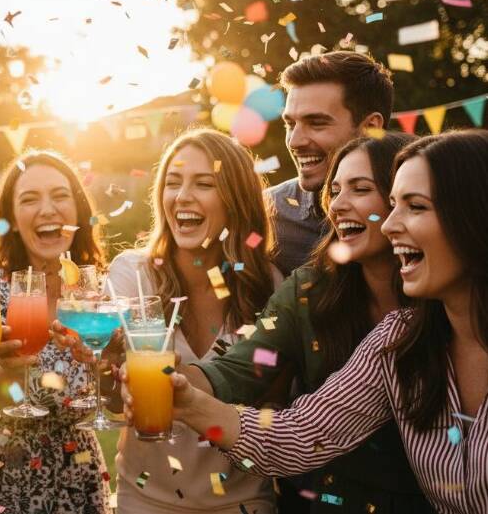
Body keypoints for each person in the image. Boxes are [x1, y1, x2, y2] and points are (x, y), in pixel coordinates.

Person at [122, 130, 488, 514]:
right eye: (393, 205)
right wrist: (188, 400)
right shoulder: (397, 337)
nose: (392, 224)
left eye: (415, 206)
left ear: (473, 213)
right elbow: (297, 434)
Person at [181, 133, 434, 513]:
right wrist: (175, 385)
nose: (338, 204)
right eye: (334, 191)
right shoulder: (310, 290)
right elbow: (242, 368)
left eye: (361, 189)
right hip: (339, 499)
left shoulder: (445, 298)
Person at [105, 128, 282, 514]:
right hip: (145, 500)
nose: (182, 196)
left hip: (243, 502)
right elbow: (112, 397)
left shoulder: (268, 286)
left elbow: (274, 404)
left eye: (204, 183)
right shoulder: (133, 275)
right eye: (172, 182)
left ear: (236, 201)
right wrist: (103, 366)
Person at [0, 149, 113, 514]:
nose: (47, 210)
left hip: (79, 477)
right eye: (29, 199)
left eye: (60, 196)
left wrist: (112, 364)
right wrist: (12, 369)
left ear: (78, 212)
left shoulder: (98, 294)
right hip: (1, 475)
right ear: (11, 219)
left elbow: (116, 402)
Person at [269, 51, 392, 276]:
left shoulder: (418, 209)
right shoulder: (268, 215)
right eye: (290, 124)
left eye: (316, 123)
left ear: (371, 128)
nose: (295, 141)